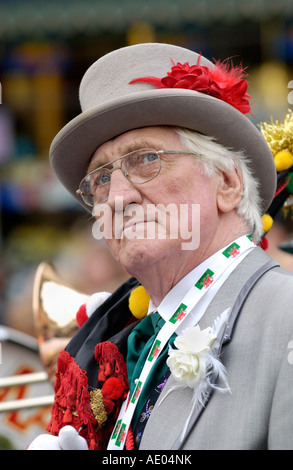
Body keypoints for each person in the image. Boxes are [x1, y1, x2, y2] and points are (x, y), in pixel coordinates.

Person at [28, 42, 293, 450]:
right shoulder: (124, 345)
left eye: (145, 159)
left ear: (227, 182)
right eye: (100, 180)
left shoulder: (285, 317)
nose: (116, 198)